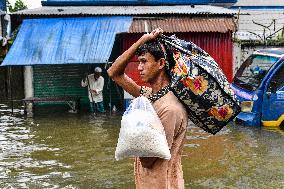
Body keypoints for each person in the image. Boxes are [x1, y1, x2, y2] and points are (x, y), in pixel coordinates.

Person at [107, 28, 188, 189]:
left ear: (161, 63)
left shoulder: (170, 108)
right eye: (139, 62)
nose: (139, 68)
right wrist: (142, 40)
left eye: (144, 61)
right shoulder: (149, 95)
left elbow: (148, 160)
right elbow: (114, 72)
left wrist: (137, 127)